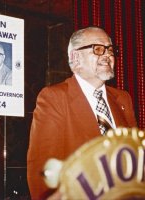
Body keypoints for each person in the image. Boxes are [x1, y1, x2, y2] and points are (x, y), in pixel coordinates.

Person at [27, 26, 137, 200]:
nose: (107, 55)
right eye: (98, 49)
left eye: (110, 50)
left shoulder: (123, 99)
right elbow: (42, 171)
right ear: (76, 57)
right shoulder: (55, 98)